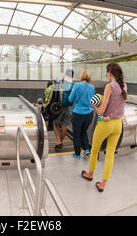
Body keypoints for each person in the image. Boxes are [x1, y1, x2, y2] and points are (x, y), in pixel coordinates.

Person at [81, 62, 127, 192]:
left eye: (107, 73)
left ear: (110, 73)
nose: (106, 75)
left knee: (95, 150)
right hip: (118, 124)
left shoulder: (109, 86)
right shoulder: (124, 85)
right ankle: (103, 184)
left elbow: (101, 110)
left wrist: (93, 104)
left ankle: (90, 174)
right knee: (110, 154)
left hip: (106, 124)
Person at [68, 70, 96, 158]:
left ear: (81, 76)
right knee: (83, 131)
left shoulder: (77, 85)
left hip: (78, 113)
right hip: (89, 114)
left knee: (76, 133)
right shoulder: (92, 87)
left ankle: (77, 154)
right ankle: (87, 149)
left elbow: (70, 99)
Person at [53, 69, 75, 149]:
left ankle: (59, 141)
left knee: (55, 124)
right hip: (69, 107)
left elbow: (55, 93)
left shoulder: (61, 83)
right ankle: (60, 142)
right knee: (64, 125)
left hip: (59, 107)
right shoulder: (74, 85)